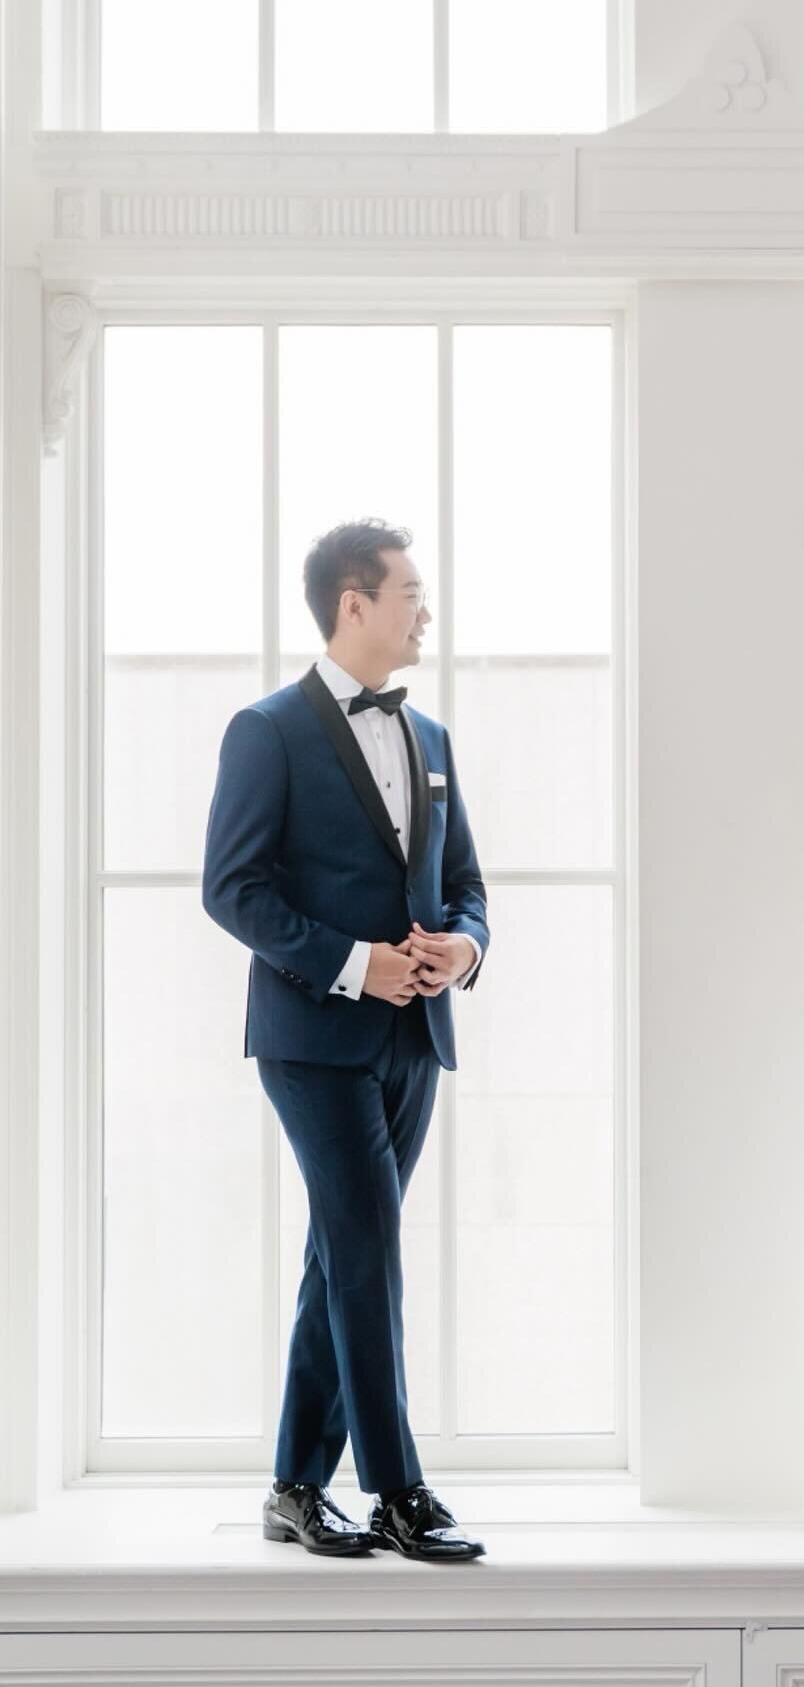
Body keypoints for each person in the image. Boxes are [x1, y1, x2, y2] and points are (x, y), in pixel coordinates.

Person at [202, 518, 490, 1561]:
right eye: (411, 591)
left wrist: (460, 950)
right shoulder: (267, 729)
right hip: (313, 1038)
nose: (427, 608)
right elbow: (230, 889)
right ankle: (398, 1489)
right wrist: (351, 960)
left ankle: (292, 1486)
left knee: (341, 1252)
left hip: (414, 1038)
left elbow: (466, 893)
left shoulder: (436, 742)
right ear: (353, 604)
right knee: (367, 1245)